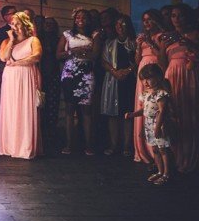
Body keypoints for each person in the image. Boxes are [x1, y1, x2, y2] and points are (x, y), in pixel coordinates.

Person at [161, 3, 199, 173]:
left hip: (190, 76)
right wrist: (162, 47)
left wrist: (188, 42)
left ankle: (193, 156)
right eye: (173, 16)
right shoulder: (168, 37)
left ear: (187, 17)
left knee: (191, 115)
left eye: (180, 15)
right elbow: (162, 63)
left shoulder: (196, 34)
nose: (176, 19)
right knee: (174, 116)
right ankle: (174, 157)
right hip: (171, 76)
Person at [0, 11, 43, 159]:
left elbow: (36, 56)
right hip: (10, 78)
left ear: (24, 24)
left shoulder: (33, 40)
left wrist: (18, 63)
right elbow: (3, 57)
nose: (14, 26)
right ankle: (10, 146)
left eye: (17, 23)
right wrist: (11, 40)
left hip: (26, 76)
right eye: (12, 24)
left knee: (25, 108)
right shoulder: (6, 41)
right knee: (11, 109)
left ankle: (25, 147)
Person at [57, 8, 102, 155]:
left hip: (86, 74)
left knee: (86, 110)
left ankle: (88, 145)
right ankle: (69, 144)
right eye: (77, 17)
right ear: (74, 20)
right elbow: (58, 55)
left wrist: (84, 53)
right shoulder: (68, 34)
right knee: (70, 109)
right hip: (70, 74)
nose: (80, 19)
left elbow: (95, 55)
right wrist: (73, 52)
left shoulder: (95, 35)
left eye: (83, 17)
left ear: (88, 20)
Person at [125, 64, 174, 186]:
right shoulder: (146, 94)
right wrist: (133, 114)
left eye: (148, 79)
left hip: (159, 124)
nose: (145, 82)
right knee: (155, 149)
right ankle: (159, 170)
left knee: (163, 150)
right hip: (148, 125)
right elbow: (144, 110)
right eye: (143, 79)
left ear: (157, 78)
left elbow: (162, 111)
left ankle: (166, 174)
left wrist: (158, 126)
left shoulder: (161, 94)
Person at [100, 15, 137, 156]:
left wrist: (127, 71)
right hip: (113, 79)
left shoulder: (133, 43)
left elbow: (136, 61)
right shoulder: (110, 43)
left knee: (127, 114)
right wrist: (114, 72)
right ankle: (114, 145)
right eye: (117, 25)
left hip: (129, 80)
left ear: (128, 26)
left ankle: (127, 146)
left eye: (123, 24)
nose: (119, 27)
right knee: (113, 114)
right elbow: (104, 61)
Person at [132, 9, 165, 164]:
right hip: (143, 69)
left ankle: (159, 147)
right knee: (143, 103)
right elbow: (138, 59)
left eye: (150, 19)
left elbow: (162, 56)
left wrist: (150, 42)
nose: (147, 23)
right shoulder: (142, 38)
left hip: (155, 68)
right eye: (144, 20)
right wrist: (139, 46)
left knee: (155, 105)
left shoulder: (161, 36)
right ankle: (143, 147)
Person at [39, 17, 61, 145]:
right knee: (40, 103)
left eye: (52, 24)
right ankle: (41, 130)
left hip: (53, 74)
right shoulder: (39, 39)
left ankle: (51, 131)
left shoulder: (58, 40)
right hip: (40, 73)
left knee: (53, 104)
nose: (49, 26)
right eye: (46, 23)